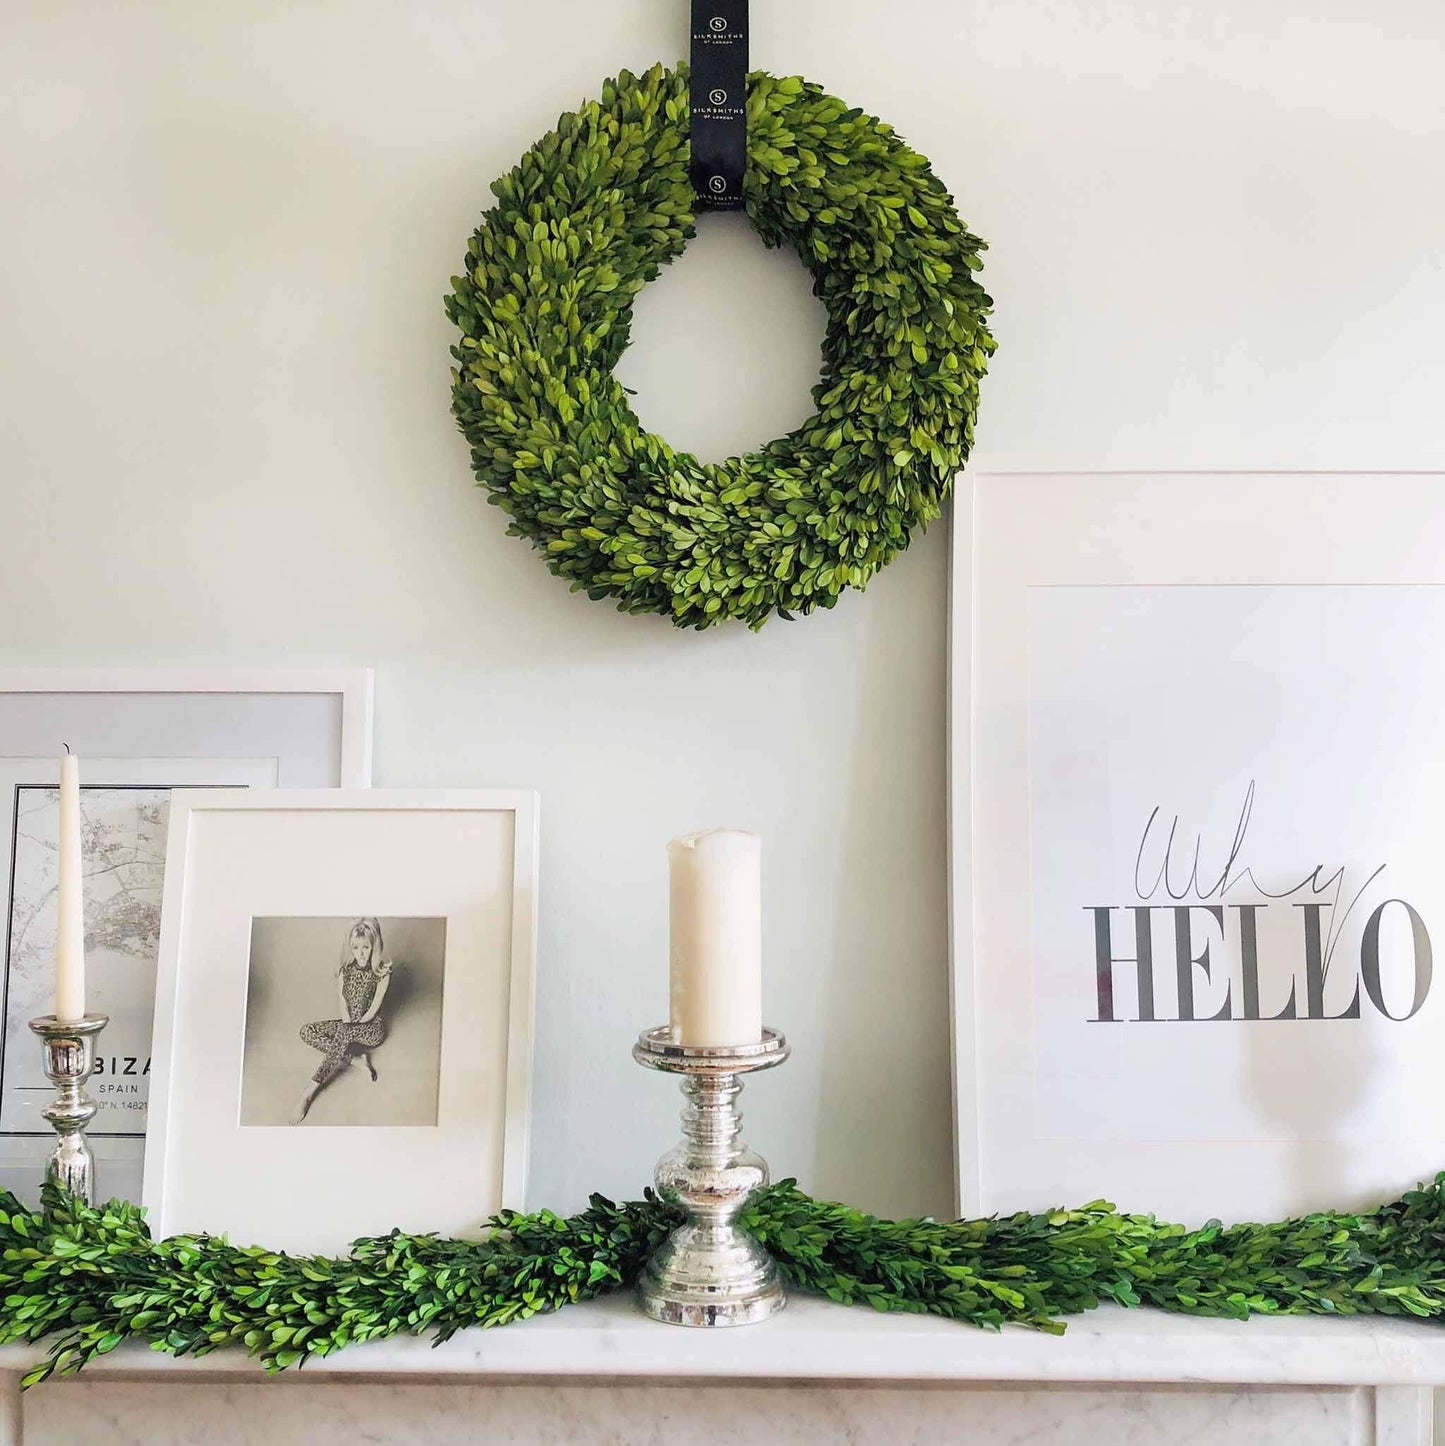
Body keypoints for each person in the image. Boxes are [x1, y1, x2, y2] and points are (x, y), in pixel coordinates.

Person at [293, 917, 395, 1124]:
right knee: (307, 1031)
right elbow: (343, 1003)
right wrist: (347, 1025)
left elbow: (372, 1010)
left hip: (371, 1029)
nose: (361, 953)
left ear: (374, 947)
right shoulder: (344, 971)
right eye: (356, 947)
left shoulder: (382, 973)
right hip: (349, 1024)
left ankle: (309, 1091)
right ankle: (356, 1060)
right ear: (350, 948)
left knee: (346, 1032)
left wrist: (349, 1029)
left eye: (366, 947)